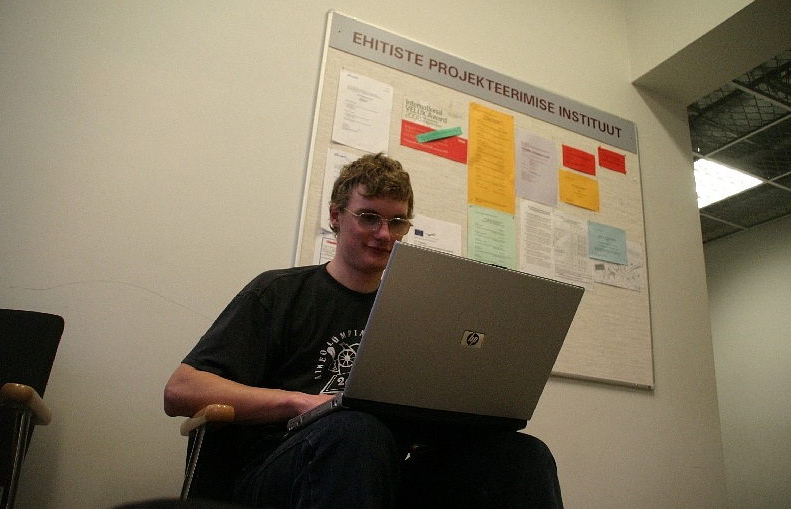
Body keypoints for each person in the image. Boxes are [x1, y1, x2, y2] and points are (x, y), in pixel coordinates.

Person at [164, 153, 564, 508]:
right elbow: (180, 390)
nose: (384, 234)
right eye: (369, 217)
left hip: (383, 471)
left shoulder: (416, 313)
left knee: (522, 456)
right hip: (281, 469)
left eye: (397, 222)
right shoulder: (280, 293)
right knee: (354, 430)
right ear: (336, 216)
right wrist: (299, 403)